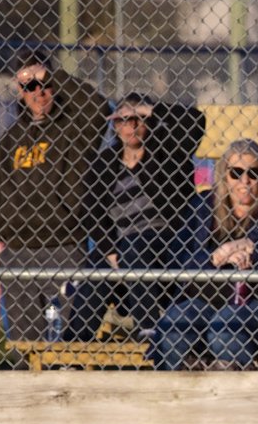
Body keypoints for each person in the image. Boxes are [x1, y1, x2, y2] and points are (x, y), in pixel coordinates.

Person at [0, 49, 107, 343]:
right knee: (26, 341)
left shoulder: (73, 128)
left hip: (63, 242)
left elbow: (99, 108)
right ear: (20, 91)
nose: (38, 93)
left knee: (70, 337)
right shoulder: (12, 138)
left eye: (44, 85)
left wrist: (51, 74)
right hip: (17, 247)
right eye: (29, 87)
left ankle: (67, 373)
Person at [148, 139, 258, 370]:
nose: (245, 181)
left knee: (225, 326)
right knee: (174, 326)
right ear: (224, 175)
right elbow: (176, 260)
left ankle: (239, 388)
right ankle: (171, 389)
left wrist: (254, 254)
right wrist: (216, 256)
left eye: (254, 173)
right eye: (236, 173)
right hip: (206, 298)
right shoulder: (203, 206)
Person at [72, 94, 207, 340]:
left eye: (138, 119)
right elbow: (91, 211)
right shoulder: (104, 162)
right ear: (115, 126)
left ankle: (148, 330)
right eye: (123, 120)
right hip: (120, 243)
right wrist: (109, 250)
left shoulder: (168, 151)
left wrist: (151, 109)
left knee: (135, 246)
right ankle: (74, 341)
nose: (131, 126)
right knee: (96, 268)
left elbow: (195, 122)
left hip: (167, 238)